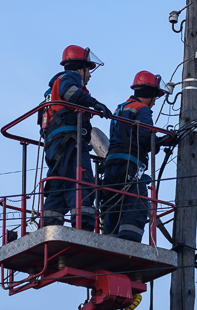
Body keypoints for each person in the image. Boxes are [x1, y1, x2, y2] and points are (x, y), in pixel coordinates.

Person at [41, 45, 112, 230]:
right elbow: (69, 93)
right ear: (80, 67)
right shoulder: (71, 77)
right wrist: (94, 104)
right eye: (89, 70)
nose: (90, 75)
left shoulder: (52, 89)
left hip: (55, 147)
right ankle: (84, 228)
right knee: (81, 182)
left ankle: (49, 227)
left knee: (59, 185)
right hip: (71, 143)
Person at [102, 70, 171, 242]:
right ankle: (129, 245)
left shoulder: (120, 108)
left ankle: (110, 242)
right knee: (137, 203)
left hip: (112, 166)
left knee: (113, 205)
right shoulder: (142, 110)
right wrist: (163, 141)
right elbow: (145, 138)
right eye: (155, 96)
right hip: (130, 166)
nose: (155, 102)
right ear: (151, 94)